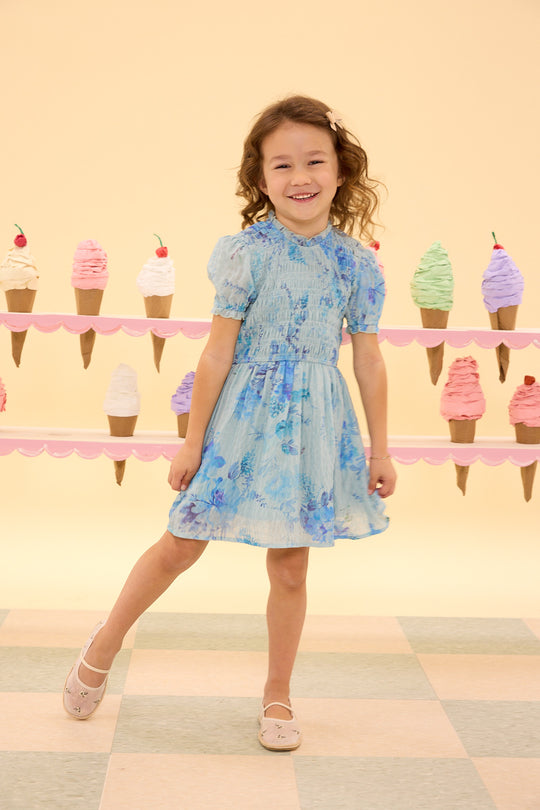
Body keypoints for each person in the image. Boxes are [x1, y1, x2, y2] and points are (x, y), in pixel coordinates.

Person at [63, 95, 397, 751]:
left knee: (291, 568)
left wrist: (379, 449)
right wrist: (193, 442)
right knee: (181, 544)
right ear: (261, 179)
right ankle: (105, 641)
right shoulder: (248, 253)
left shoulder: (356, 264)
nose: (300, 177)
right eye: (282, 165)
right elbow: (217, 353)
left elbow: (368, 359)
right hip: (242, 420)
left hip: (311, 428)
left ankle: (278, 691)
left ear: (340, 170)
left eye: (314, 161)